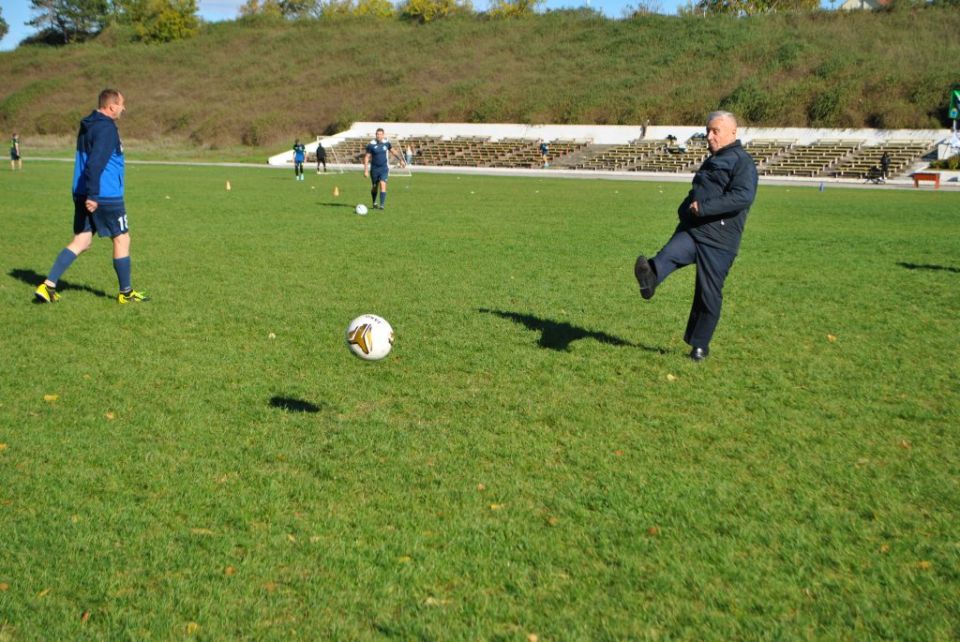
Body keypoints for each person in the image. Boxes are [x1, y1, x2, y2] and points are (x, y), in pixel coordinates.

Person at [633, 111, 757, 362]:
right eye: (708, 130)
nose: (709, 136)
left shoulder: (742, 162)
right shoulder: (714, 159)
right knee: (669, 254)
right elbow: (699, 191)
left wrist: (705, 208)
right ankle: (650, 280)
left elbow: (743, 196)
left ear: (733, 133)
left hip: (720, 239)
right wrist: (686, 208)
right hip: (694, 230)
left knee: (708, 293)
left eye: (715, 131)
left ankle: (700, 346)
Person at [35, 89, 149, 304]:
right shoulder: (106, 129)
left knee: (83, 240)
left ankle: (48, 286)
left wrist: (88, 193)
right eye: (122, 104)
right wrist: (94, 195)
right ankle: (126, 293)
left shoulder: (88, 125)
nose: (124, 108)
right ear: (112, 106)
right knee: (122, 238)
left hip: (82, 190)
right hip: (104, 195)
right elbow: (96, 163)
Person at [363, 128, 405, 210]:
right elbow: (367, 157)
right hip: (374, 169)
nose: (378, 136)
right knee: (375, 186)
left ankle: (382, 205)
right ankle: (374, 202)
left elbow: (393, 151)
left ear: (383, 135)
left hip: (384, 168)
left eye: (380, 134)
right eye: (377, 134)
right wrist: (366, 170)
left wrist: (400, 160)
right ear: (376, 135)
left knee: (383, 184)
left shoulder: (386, 143)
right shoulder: (371, 145)